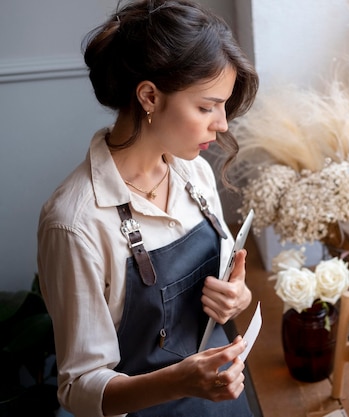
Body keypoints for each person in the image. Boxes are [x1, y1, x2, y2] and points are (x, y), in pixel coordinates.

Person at [36, 1, 259, 416]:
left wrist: (235, 297)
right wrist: (180, 381)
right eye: (206, 107)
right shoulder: (74, 224)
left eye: (223, 107)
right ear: (150, 96)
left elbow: (226, 288)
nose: (223, 124)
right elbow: (80, 387)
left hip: (226, 403)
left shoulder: (194, 171)